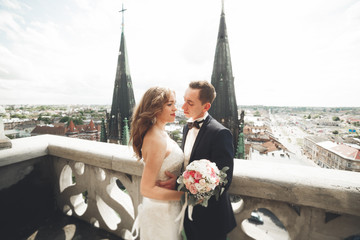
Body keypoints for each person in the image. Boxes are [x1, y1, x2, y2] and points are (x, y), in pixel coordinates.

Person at [160, 80, 236, 240]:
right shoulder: (187, 127)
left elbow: (224, 181)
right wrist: (180, 180)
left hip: (212, 217)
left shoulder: (220, 133)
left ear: (206, 106)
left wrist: (190, 187)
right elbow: (188, 163)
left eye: (190, 103)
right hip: (189, 214)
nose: (183, 107)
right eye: (184, 100)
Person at [130, 86, 184, 240]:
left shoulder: (161, 132)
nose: (175, 108)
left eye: (175, 103)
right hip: (161, 212)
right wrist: (184, 196)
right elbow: (146, 189)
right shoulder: (156, 139)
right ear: (155, 108)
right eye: (170, 104)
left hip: (167, 208)